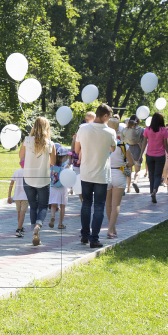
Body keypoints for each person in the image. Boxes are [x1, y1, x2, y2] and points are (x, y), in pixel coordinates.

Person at [75, 104, 117, 248]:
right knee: (99, 206)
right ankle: (94, 239)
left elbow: (76, 149)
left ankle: (84, 236)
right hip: (101, 174)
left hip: (86, 172)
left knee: (86, 204)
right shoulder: (110, 132)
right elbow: (113, 148)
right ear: (105, 116)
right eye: (109, 117)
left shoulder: (83, 128)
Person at [19, 117, 56, 246]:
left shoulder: (27, 140)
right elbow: (53, 162)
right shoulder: (50, 143)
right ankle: (38, 226)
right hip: (43, 179)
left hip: (28, 178)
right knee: (43, 206)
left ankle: (35, 233)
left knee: (33, 206)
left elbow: (20, 156)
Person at [105, 118, 134, 239]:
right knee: (116, 205)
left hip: (106, 174)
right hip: (119, 173)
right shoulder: (123, 145)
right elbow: (131, 162)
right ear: (118, 129)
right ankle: (110, 229)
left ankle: (113, 228)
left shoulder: (104, 143)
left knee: (108, 205)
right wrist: (125, 164)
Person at [142, 112, 168, 203]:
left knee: (151, 175)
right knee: (158, 175)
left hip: (149, 155)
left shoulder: (147, 129)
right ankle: (155, 190)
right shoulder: (163, 130)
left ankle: (152, 192)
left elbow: (144, 143)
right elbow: (166, 145)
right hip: (160, 155)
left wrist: (140, 155)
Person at [48, 145, 71, 229]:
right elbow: (70, 177)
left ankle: (53, 215)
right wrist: (71, 187)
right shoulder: (66, 166)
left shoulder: (52, 165)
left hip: (53, 186)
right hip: (62, 187)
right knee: (62, 206)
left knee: (53, 204)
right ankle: (60, 223)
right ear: (65, 156)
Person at [122, 115, 144, 193]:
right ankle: (135, 182)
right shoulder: (141, 130)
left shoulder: (125, 130)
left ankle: (128, 188)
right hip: (138, 149)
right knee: (137, 170)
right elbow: (143, 142)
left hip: (128, 149)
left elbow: (122, 139)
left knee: (129, 170)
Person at [7, 159, 28, 237]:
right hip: (25, 197)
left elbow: (11, 185)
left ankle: (21, 227)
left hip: (17, 196)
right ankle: (18, 229)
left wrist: (9, 196)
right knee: (23, 213)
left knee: (19, 212)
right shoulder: (28, 173)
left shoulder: (16, 172)